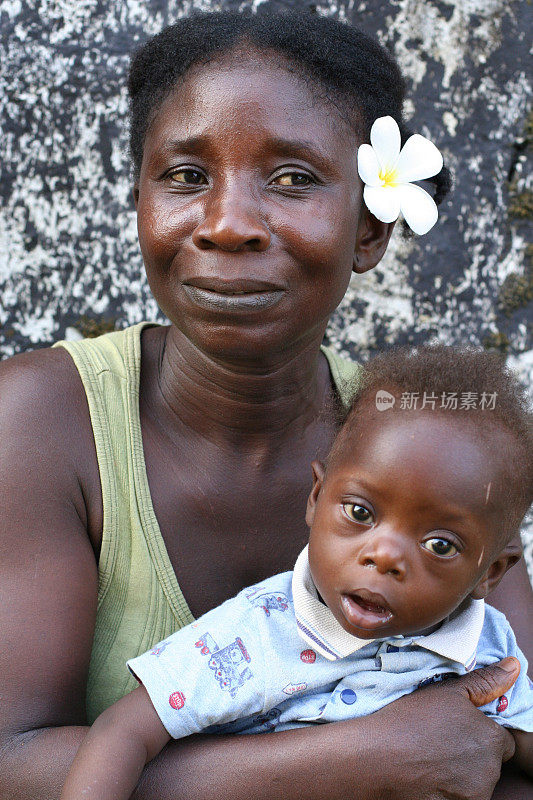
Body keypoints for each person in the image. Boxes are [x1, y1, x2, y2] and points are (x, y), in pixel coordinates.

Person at [0, 9, 531, 800]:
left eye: (292, 179)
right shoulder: (42, 421)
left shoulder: (429, 440)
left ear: (372, 226)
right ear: (140, 200)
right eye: (185, 177)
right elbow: (11, 758)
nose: (227, 224)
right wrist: (357, 762)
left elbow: (497, 738)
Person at [59, 344, 533, 800]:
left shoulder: (487, 651)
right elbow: (125, 729)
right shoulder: (258, 633)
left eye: (439, 545)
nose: (384, 556)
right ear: (315, 498)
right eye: (360, 513)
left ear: (490, 573)